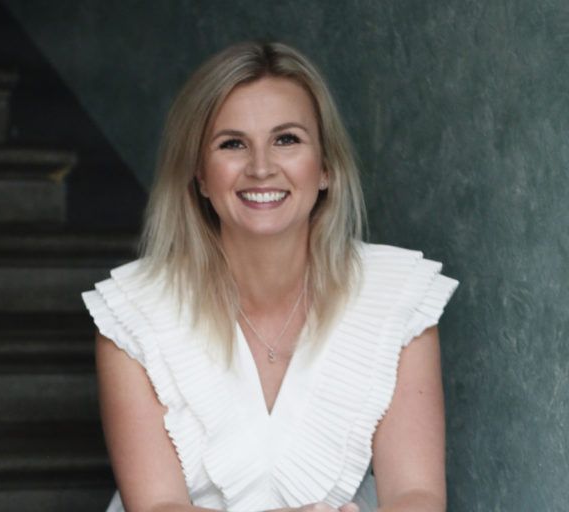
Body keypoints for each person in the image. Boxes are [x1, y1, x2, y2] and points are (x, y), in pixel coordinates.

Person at [82, 41, 458, 512]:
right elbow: (157, 507)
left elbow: (417, 495)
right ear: (201, 175)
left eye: (287, 140)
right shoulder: (133, 310)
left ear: (325, 168)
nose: (261, 168)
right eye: (232, 144)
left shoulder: (397, 293)